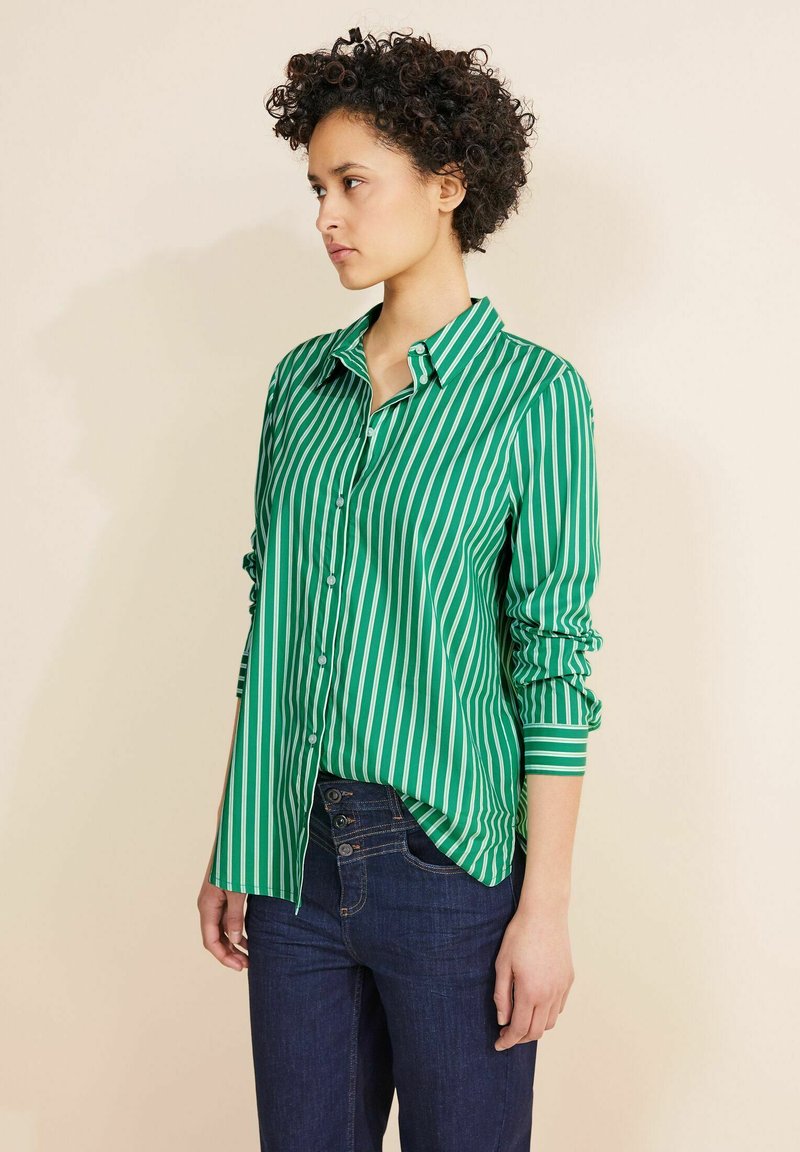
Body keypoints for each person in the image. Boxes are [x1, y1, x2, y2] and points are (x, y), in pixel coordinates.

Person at [197, 26, 604, 1152]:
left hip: (446, 859)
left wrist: (543, 910)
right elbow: (272, 621)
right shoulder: (302, 384)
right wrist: (239, 834)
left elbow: (551, 657)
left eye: (353, 183)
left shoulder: (533, 397)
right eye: (316, 189)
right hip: (290, 852)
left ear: (448, 183)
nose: (326, 216)